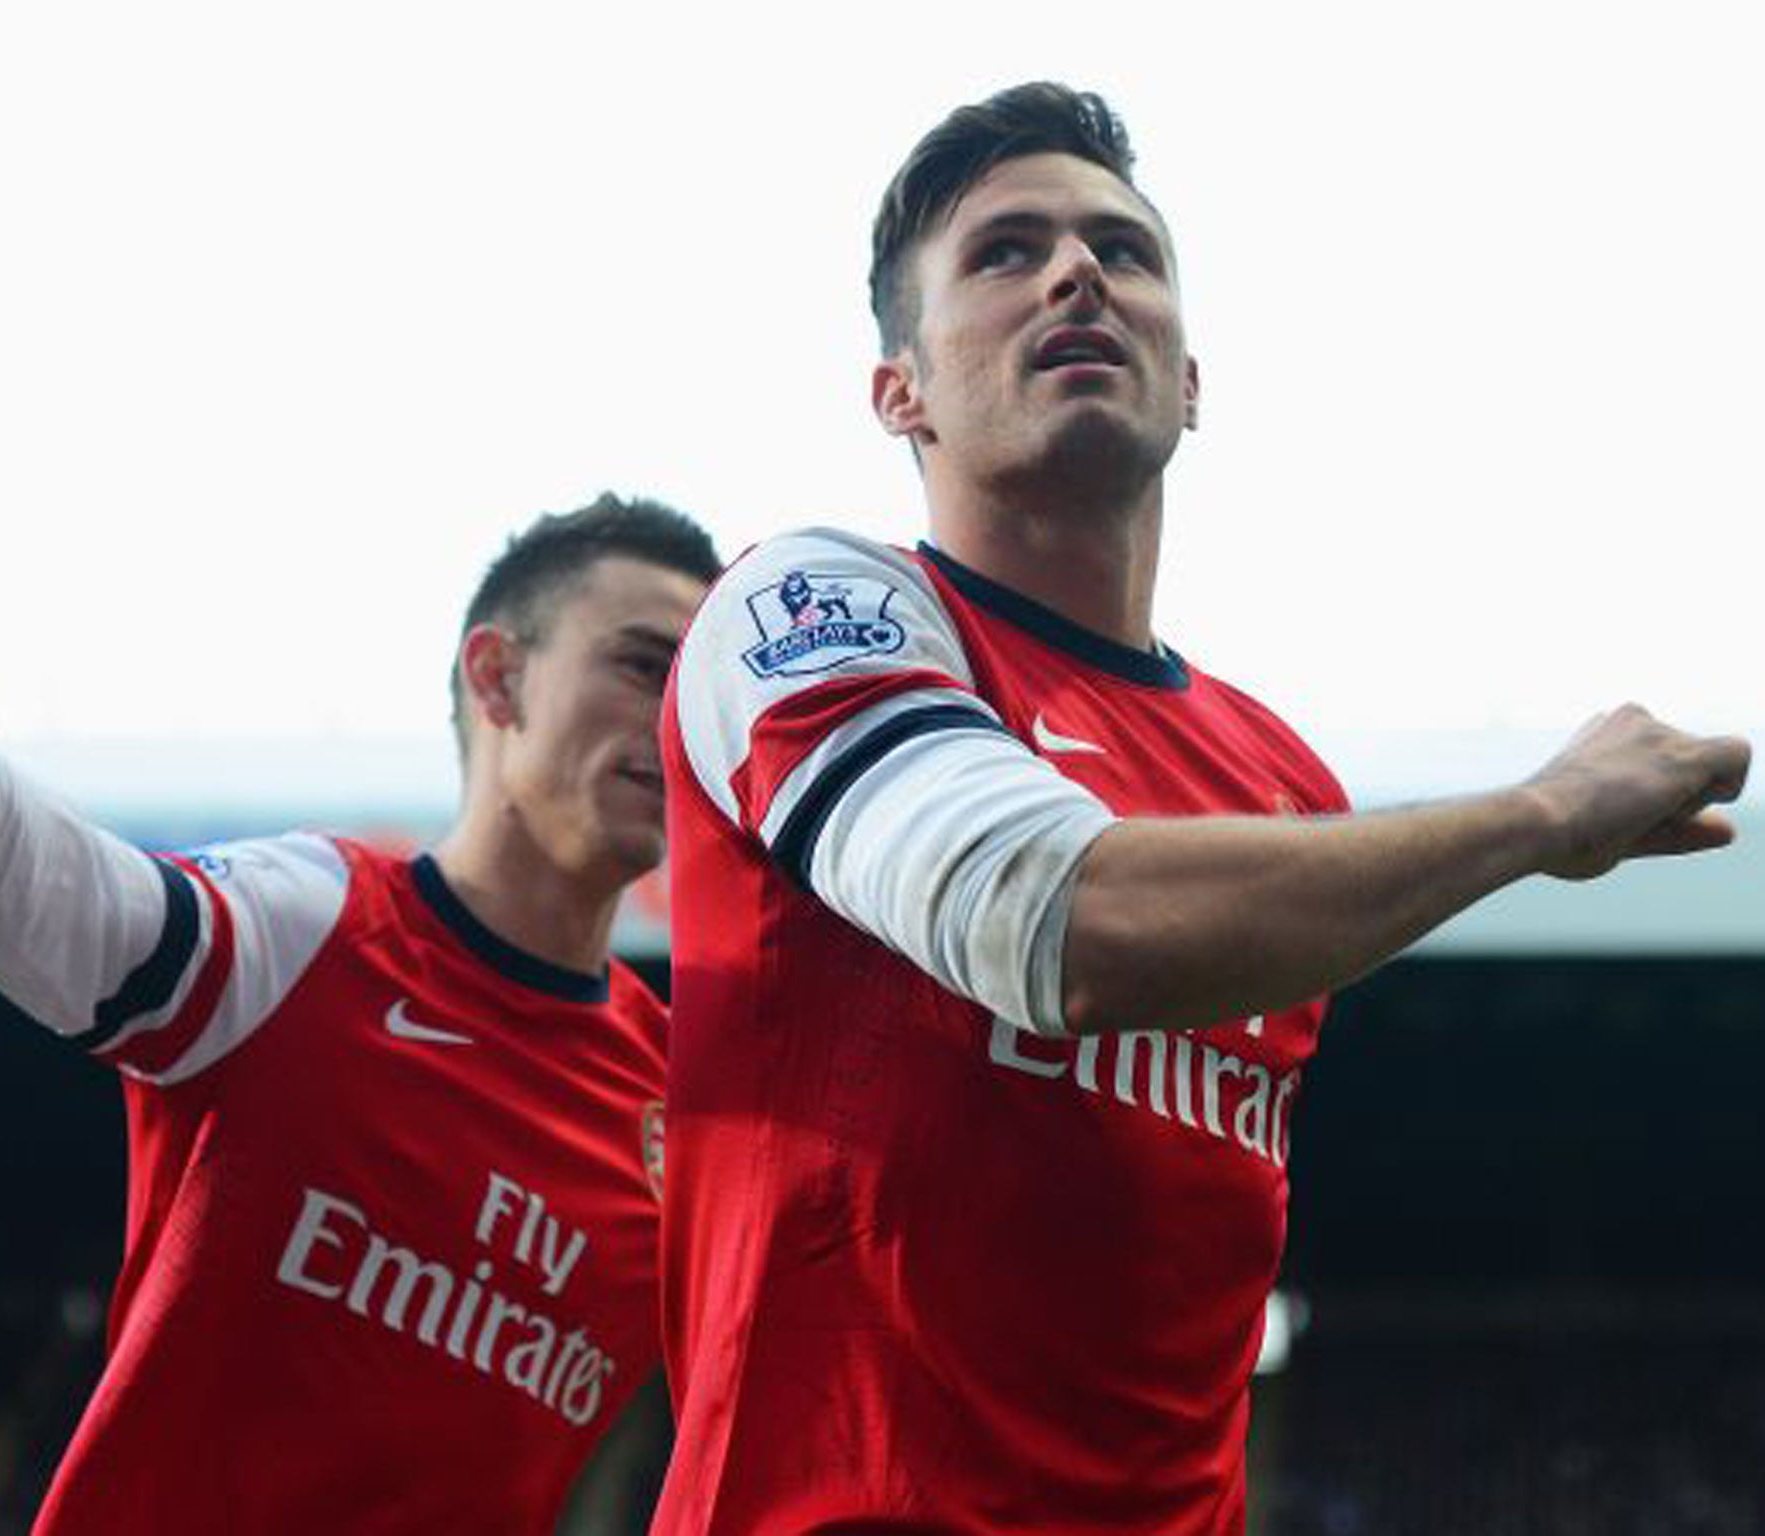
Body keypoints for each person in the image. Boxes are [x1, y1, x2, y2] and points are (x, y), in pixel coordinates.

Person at [654, 84, 1750, 1534]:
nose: (1077, 274)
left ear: (1188, 382)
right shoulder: (815, 606)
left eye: (1124, 249)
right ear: (898, 392)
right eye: (1004, 253)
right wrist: (1542, 815)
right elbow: (1043, 920)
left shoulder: (1281, 781)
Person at [0, 494, 722, 1535]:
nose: (674, 721)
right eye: (641, 667)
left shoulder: (683, 1108)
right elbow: (88, 906)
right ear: (498, 676)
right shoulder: (312, 927)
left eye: (695, 693)